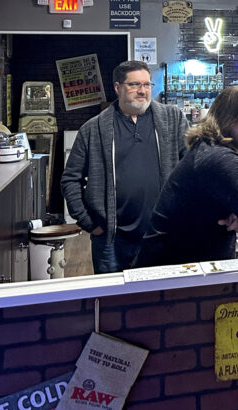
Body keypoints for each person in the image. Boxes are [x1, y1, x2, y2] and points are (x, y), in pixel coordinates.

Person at [61, 60, 189, 273]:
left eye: (147, 84)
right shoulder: (93, 129)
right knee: (113, 293)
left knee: (161, 292)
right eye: (134, 85)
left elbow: (192, 167)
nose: (142, 91)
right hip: (111, 239)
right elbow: (70, 179)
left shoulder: (173, 119)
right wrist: (89, 222)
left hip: (161, 235)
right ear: (118, 87)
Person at [135, 85, 238, 267]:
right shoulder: (219, 157)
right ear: (224, 118)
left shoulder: (219, 150)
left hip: (191, 268)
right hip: (172, 275)